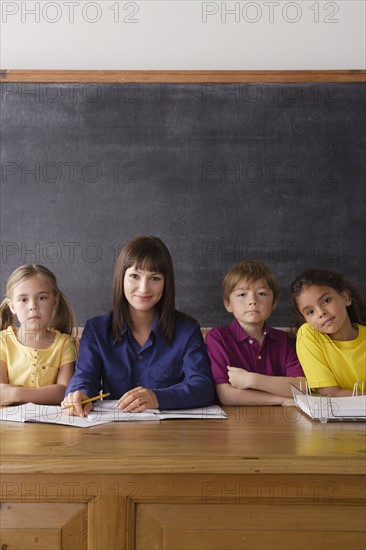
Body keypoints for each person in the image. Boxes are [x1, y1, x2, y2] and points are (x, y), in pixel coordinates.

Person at [63, 236, 214, 416]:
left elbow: (203, 387)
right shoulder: (96, 330)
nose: (144, 288)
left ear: (166, 283)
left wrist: (158, 398)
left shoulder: (187, 331)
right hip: (114, 435)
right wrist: (79, 394)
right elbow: (84, 377)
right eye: (135, 276)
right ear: (121, 278)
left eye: (155, 278)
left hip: (172, 436)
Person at [206, 260, 305, 406]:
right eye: (242, 294)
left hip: (281, 423)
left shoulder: (286, 340)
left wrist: (251, 380)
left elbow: (301, 387)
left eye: (261, 293)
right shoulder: (218, 338)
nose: (252, 301)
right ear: (228, 304)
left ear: (274, 303)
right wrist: (280, 399)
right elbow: (227, 395)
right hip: (233, 424)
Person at [0, 264, 77, 406]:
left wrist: (16, 394)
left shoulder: (65, 344)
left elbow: (64, 392)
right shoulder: (2, 342)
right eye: (23, 299)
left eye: (41, 298)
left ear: (55, 301)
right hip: (7, 425)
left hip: (52, 424)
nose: (32, 306)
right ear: (12, 306)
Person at [290, 268, 366, 396]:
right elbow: (331, 393)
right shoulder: (308, 335)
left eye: (326, 301)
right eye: (310, 312)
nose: (321, 312)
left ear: (345, 297)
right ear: (306, 320)